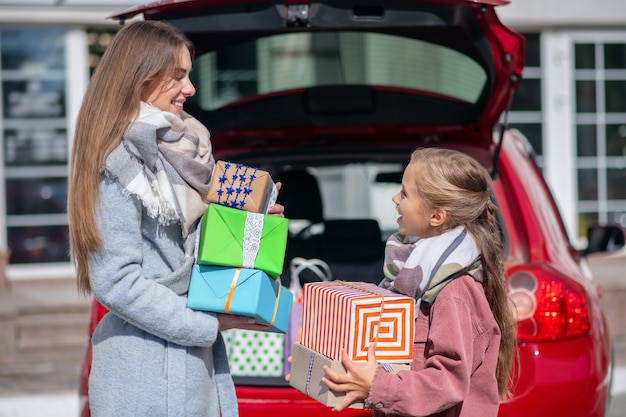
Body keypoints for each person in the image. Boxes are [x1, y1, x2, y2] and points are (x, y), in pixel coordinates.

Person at [67, 20, 283, 417]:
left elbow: (201, 254)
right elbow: (115, 282)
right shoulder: (120, 165)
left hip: (186, 366)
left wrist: (252, 230)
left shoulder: (185, 155)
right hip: (143, 374)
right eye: (178, 76)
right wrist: (209, 325)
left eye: (190, 75)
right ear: (140, 77)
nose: (191, 88)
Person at [320, 147, 516, 417]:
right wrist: (323, 363)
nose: (395, 198)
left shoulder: (453, 290)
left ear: (437, 216)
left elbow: (447, 381)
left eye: (405, 193)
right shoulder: (415, 276)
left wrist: (378, 385)